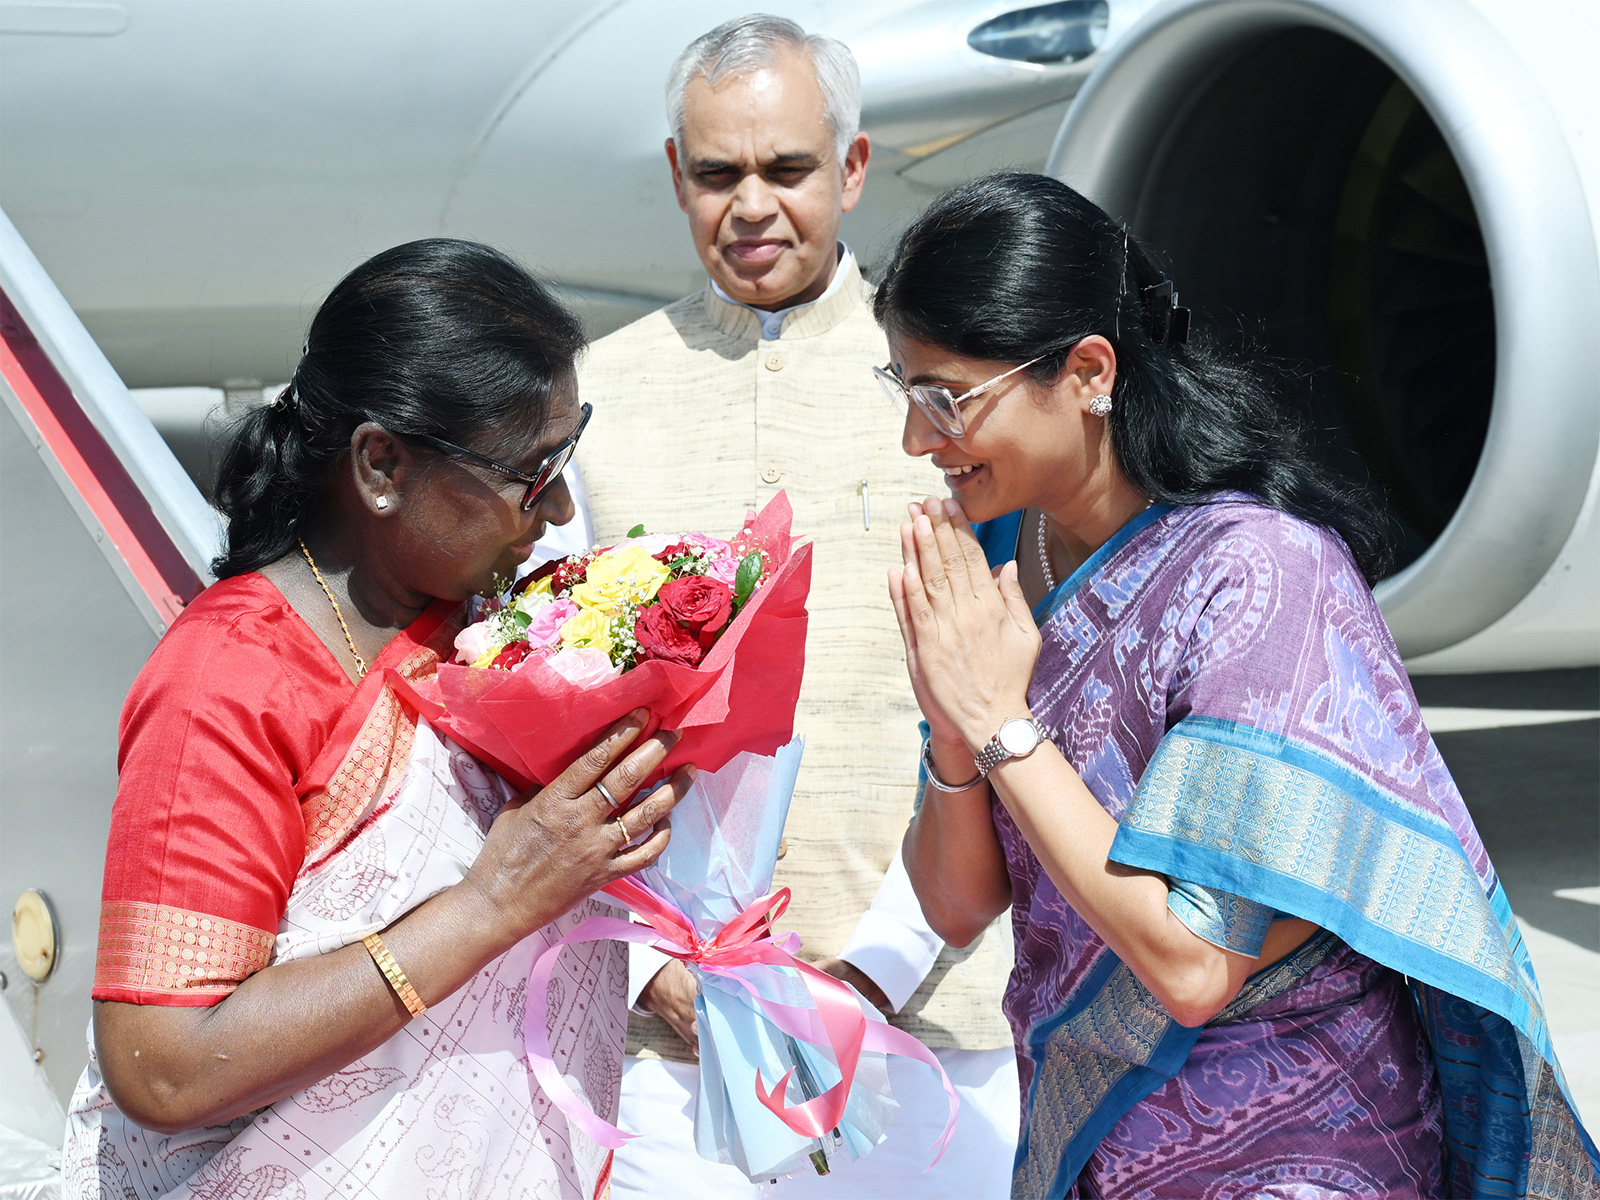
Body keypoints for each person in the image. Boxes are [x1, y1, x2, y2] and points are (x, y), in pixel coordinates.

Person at [875, 173, 1600, 1199]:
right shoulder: (996, 560)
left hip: (1297, 1141)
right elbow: (955, 906)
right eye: (902, 390)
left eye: (946, 398)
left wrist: (999, 722)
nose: (916, 439)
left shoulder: (1259, 574)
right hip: (1092, 1141)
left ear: (1087, 371)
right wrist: (957, 730)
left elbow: (1190, 965)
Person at [61, 239, 692, 1200]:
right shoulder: (230, 677)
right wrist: (492, 906)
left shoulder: (489, 628)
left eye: (566, 457)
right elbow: (165, 1065)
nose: (559, 508)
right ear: (382, 464)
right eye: (531, 471)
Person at [571, 14, 1018, 1198]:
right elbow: (547, 723)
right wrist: (639, 970)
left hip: (929, 1013)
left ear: (853, 169)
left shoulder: (951, 393)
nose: (752, 206)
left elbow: (1006, 695)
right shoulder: (591, 402)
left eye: (787, 169)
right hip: (667, 1029)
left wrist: (877, 966)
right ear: (677, 178)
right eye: (717, 175)